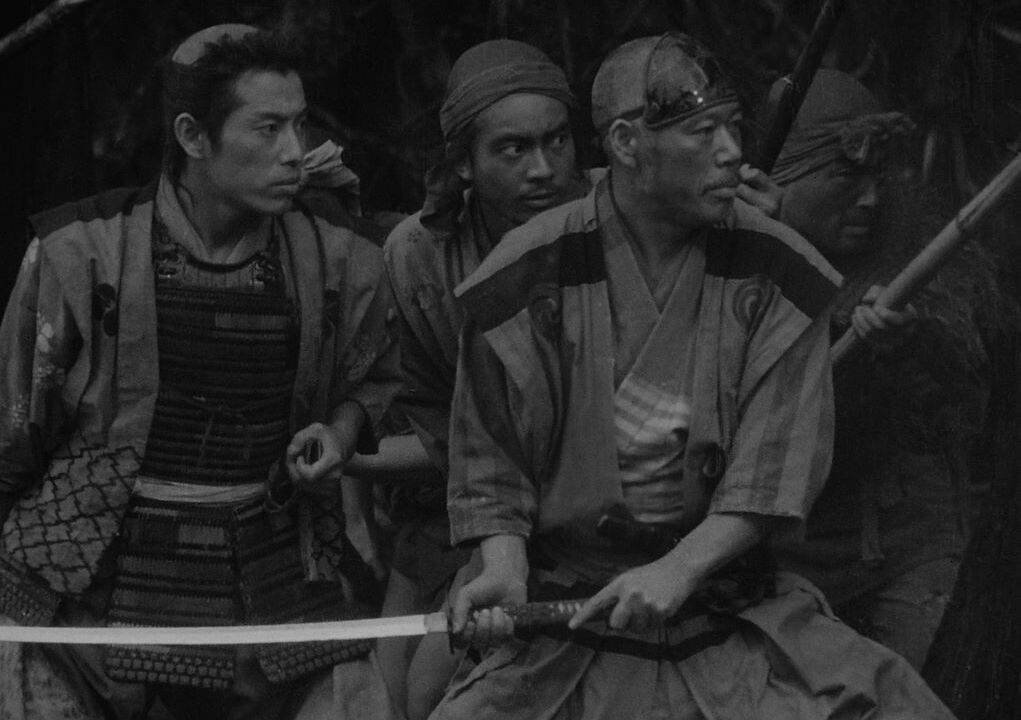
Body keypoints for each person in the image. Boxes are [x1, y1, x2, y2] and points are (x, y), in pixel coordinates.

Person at [429, 33, 956, 719]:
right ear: (626, 144)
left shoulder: (779, 269)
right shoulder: (524, 271)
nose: (732, 152)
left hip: (726, 601)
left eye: (733, 128)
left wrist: (679, 568)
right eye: (703, 133)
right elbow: (491, 463)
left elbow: (771, 469)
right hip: (570, 607)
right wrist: (504, 565)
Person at [0, 24, 400, 720]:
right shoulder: (79, 253)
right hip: (83, 594)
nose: (294, 151)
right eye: (268, 128)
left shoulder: (340, 256)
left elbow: (377, 377)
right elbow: (13, 429)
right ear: (192, 135)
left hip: (274, 584)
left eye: (299, 125)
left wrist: (340, 432)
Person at [770, 69, 1004, 670]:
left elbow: (966, 401)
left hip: (906, 538)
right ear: (781, 178)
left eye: (877, 176)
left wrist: (907, 344)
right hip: (781, 550)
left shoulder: (915, 247)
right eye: (847, 176)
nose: (870, 198)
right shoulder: (732, 254)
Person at [378, 38, 584, 720]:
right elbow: (428, 409)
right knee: (398, 697)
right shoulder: (418, 254)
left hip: (597, 513)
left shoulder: (624, 221)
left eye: (557, 142)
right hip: (463, 502)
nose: (543, 169)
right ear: (463, 163)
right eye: (513, 149)